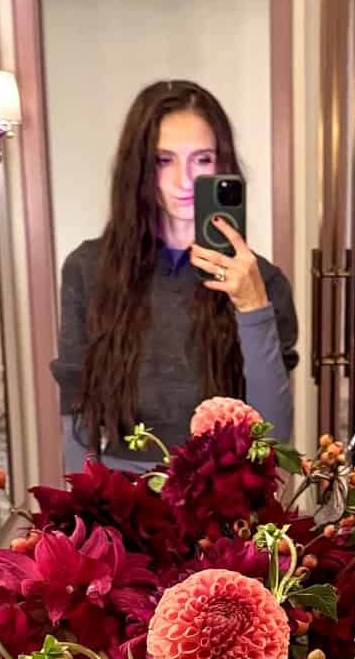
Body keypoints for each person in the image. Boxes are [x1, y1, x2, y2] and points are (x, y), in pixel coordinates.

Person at [51, 80, 298, 471]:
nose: (184, 180)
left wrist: (254, 309)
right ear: (138, 168)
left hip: (221, 493)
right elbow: (76, 414)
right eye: (163, 160)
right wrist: (84, 501)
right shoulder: (88, 269)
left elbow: (273, 437)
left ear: (222, 165)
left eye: (202, 159)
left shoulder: (261, 281)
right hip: (120, 493)